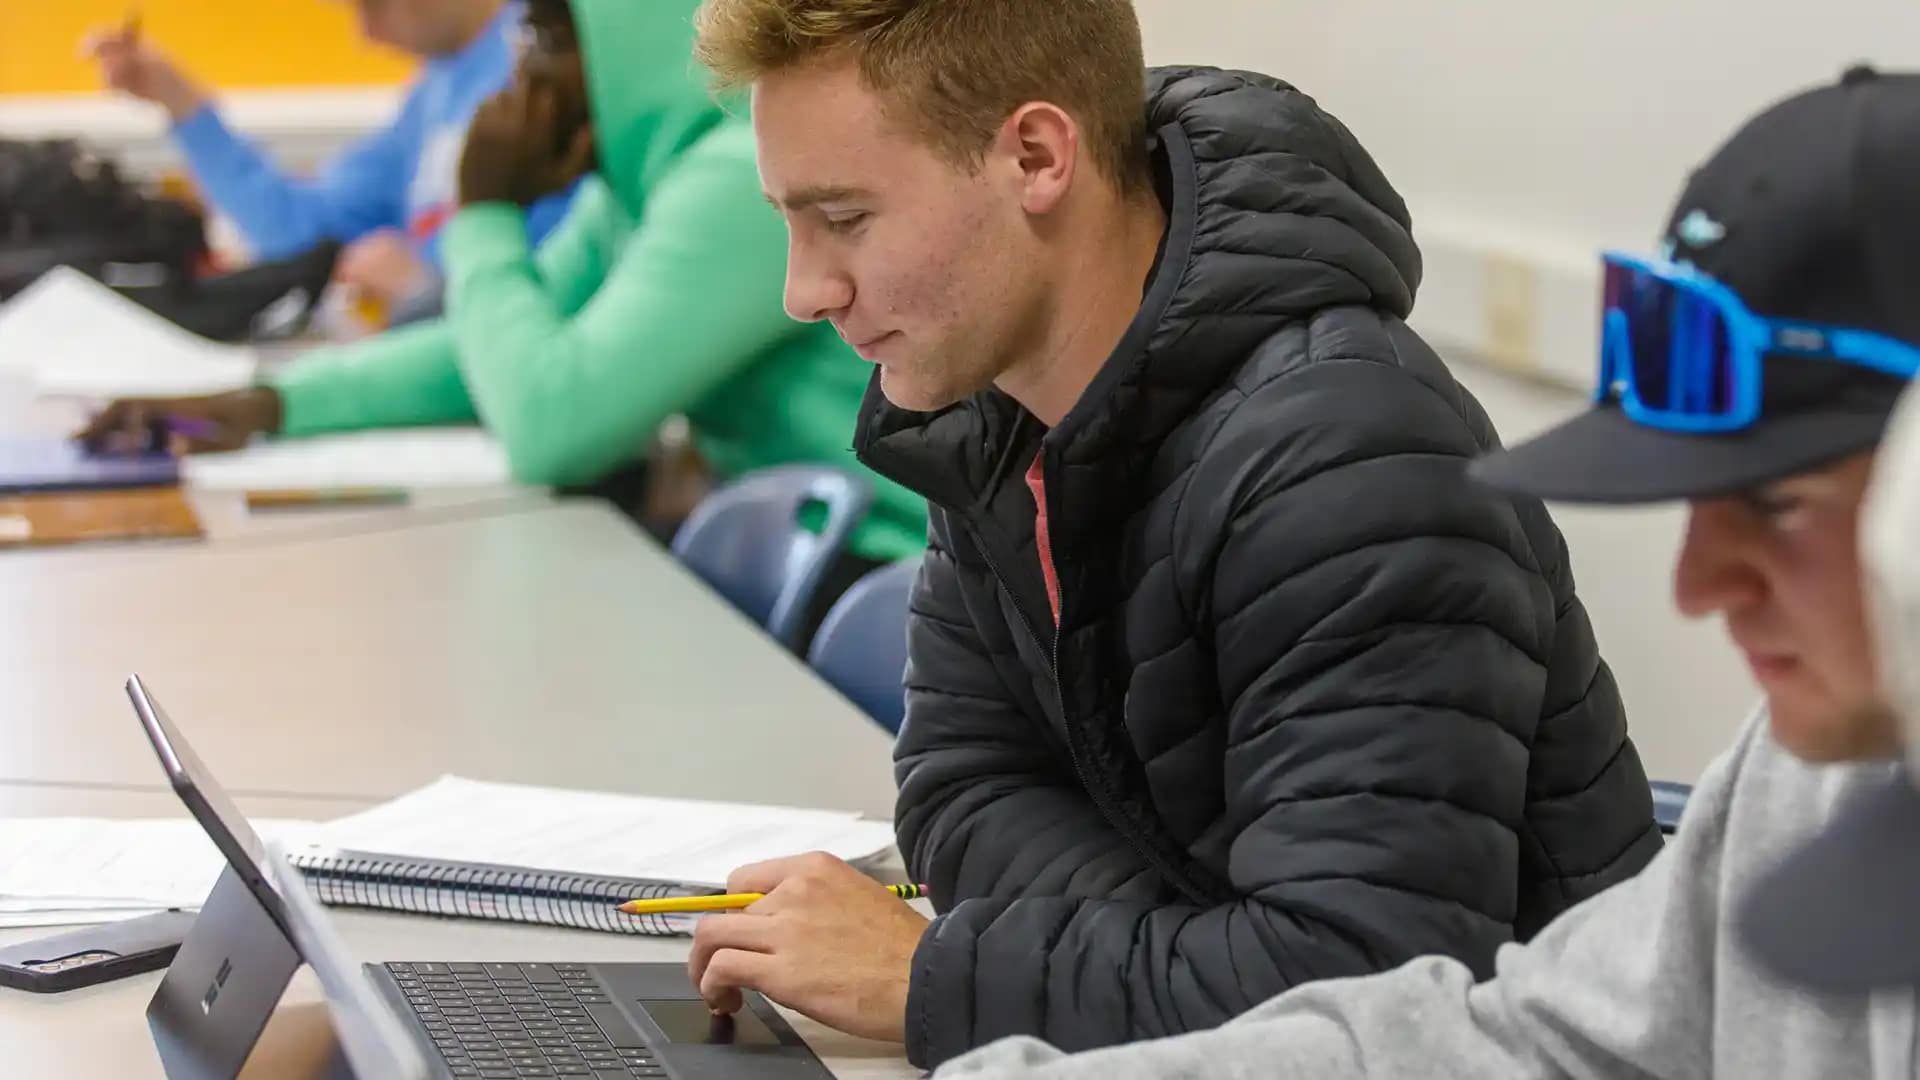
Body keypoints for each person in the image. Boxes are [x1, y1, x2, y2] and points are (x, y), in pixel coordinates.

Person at [683, 0, 1658, 1069]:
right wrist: (1201, 950)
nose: (804, 291)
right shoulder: (992, 415)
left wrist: (938, 976)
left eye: (847, 218)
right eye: (791, 221)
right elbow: (961, 796)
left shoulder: (1350, 462)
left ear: (1038, 157)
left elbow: (1365, 997)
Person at [932, 66, 1920, 1080]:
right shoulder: (1802, 773)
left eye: (1777, 506)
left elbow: (1356, 952)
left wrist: (965, 980)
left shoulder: (1347, 444)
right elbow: (1528, 1039)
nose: (1700, 587)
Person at [80, 0, 928, 572]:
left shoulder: (741, 181)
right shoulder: (638, 190)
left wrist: (482, 211)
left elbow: (553, 425)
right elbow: (475, 357)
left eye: (549, 46)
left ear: (623, 46)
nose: (524, 80)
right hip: (801, 558)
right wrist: (270, 403)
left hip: (884, 579)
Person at [86, 0, 572, 316]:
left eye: (371, 6)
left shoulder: (559, 52)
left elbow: (574, 286)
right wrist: (182, 103)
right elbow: (302, 232)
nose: (366, 35)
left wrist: (429, 296)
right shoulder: (435, 94)